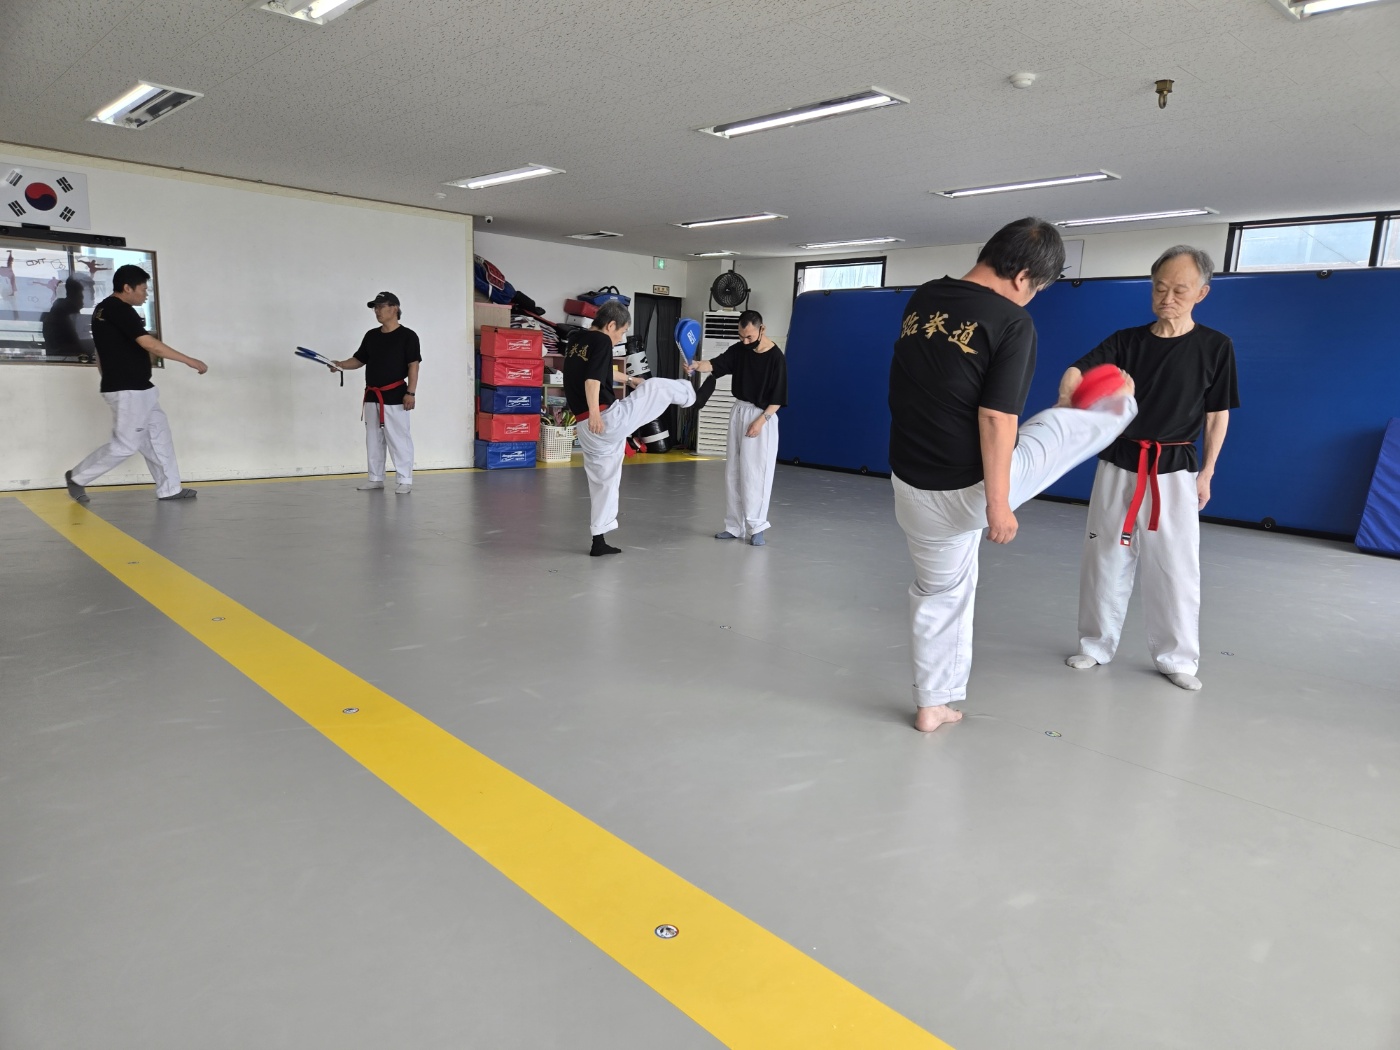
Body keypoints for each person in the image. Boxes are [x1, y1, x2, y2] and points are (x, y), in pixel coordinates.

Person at [888, 217, 1140, 732]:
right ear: (1023, 277)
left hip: (910, 485)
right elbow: (997, 419)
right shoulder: (1012, 321)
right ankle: (1119, 403)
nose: (1033, 298)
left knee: (942, 593)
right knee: (1051, 430)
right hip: (970, 489)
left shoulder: (924, 297)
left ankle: (933, 705)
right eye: (1038, 289)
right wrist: (998, 505)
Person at [1059, 246, 1239, 691]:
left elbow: (1217, 415)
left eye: (1179, 290)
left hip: (1174, 469)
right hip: (1119, 462)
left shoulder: (1215, 346)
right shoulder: (1127, 342)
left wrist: (1208, 473)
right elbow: (1078, 371)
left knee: (1176, 565)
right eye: (1159, 288)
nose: (1167, 298)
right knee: (1104, 557)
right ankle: (1095, 644)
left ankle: (1177, 657)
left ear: (1202, 293)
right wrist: (1069, 393)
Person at [563, 300, 697, 556]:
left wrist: (631, 379)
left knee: (604, 483)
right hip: (606, 420)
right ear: (611, 325)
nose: (621, 338)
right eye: (622, 331)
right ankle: (692, 397)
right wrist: (595, 413)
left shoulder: (576, 340)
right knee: (655, 387)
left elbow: (598, 371)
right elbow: (592, 381)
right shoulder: (603, 341)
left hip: (586, 429)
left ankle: (599, 540)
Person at [65, 264, 206, 503]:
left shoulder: (103, 310)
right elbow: (149, 344)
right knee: (125, 445)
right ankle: (77, 477)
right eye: (143, 289)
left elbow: (101, 351)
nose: (146, 294)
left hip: (138, 387)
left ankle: (170, 488)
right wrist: (189, 360)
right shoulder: (120, 309)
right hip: (128, 389)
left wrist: (108, 378)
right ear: (127, 288)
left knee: (159, 436)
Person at [688, 309, 787, 546]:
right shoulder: (739, 350)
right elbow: (714, 364)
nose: (745, 341)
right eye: (741, 336)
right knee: (733, 470)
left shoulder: (776, 358)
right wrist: (695, 365)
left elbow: (778, 398)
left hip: (763, 415)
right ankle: (734, 525)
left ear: (762, 329)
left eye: (749, 337)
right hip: (739, 410)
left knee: (756, 472)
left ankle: (757, 526)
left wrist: (760, 421)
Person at [330, 291, 420, 494]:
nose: (377, 311)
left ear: (394, 308)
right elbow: (359, 360)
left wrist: (411, 393)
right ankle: (376, 478)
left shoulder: (408, 336)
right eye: (375, 307)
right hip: (372, 395)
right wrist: (340, 364)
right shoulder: (371, 336)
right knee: (373, 439)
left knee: (398, 438)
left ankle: (405, 479)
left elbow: (413, 366)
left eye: (381, 306)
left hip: (396, 395)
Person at [42, 277, 88, 357]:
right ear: (76, 295)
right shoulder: (65, 315)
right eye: (82, 296)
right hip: (66, 358)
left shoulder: (61, 312)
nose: (83, 301)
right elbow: (76, 345)